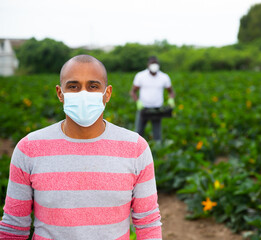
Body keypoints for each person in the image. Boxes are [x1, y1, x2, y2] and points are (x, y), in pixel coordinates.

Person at [0, 55, 162, 240]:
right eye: (73, 86)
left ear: (107, 94)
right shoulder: (29, 149)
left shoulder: (136, 149)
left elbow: (148, 225)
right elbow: (13, 228)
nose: (83, 93)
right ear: (60, 93)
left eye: (93, 86)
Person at [130, 56, 175, 142]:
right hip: (143, 108)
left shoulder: (164, 77)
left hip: (157, 109)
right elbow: (133, 92)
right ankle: (136, 153)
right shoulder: (140, 76)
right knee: (138, 133)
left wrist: (171, 99)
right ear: (148, 65)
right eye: (152, 63)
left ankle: (157, 152)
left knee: (157, 135)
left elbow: (171, 92)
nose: (154, 65)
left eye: (156, 63)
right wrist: (138, 102)